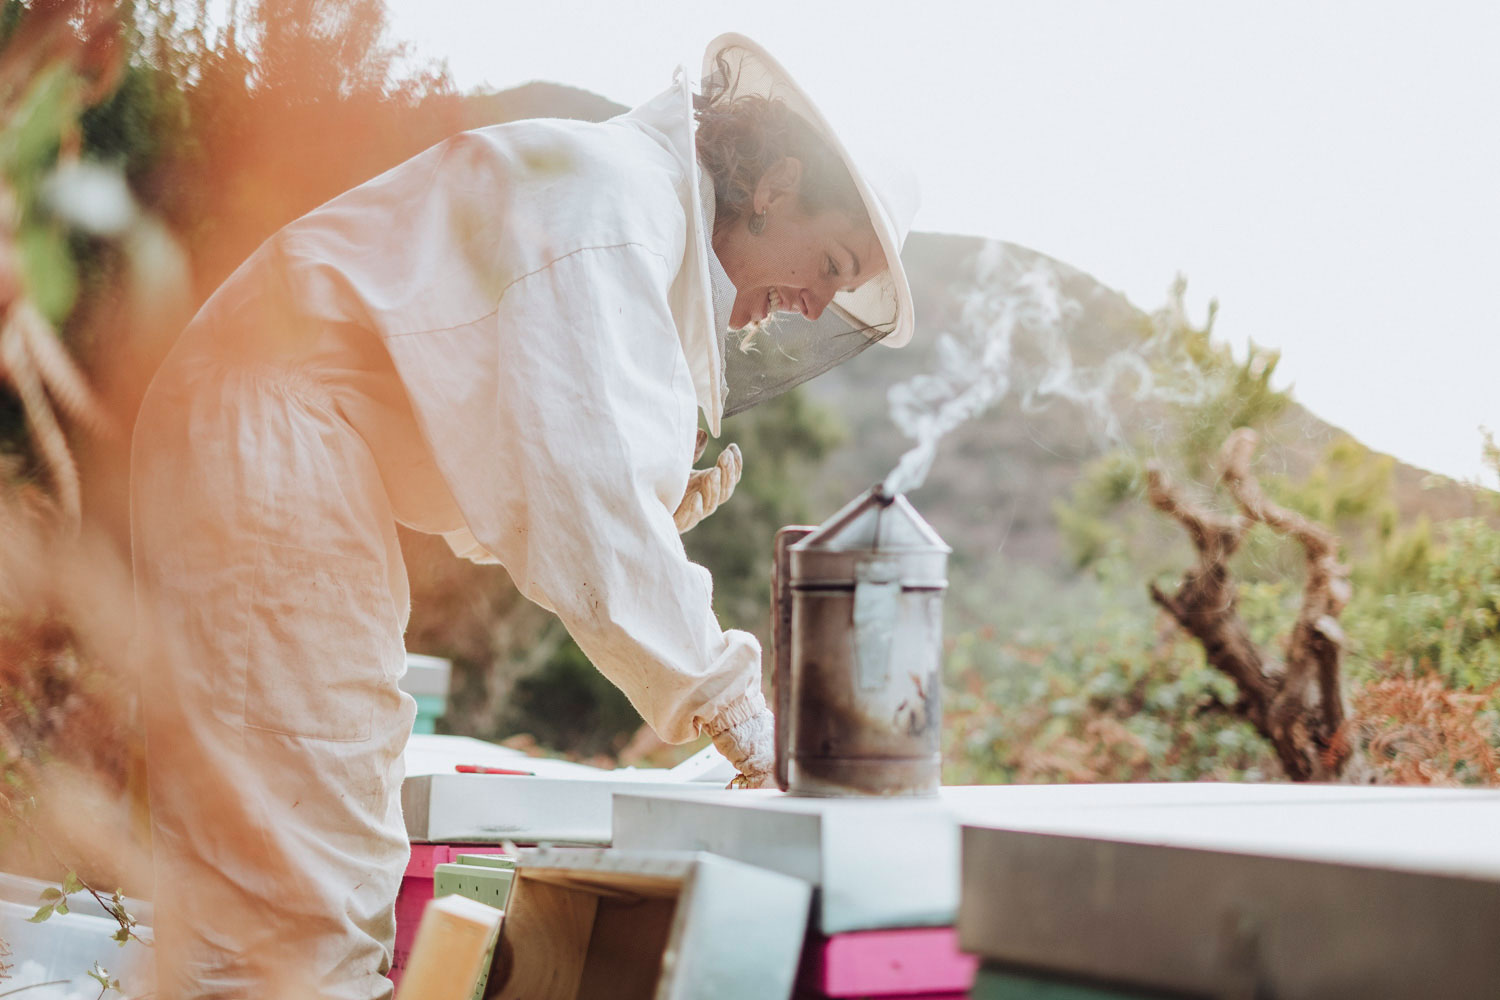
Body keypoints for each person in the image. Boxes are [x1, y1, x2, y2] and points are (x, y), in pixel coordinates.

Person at [130, 33, 916, 999]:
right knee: (296, 866)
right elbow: (577, 507)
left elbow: (524, 482)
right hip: (271, 442)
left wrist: (632, 508)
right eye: (830, 263)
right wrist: (733, 710)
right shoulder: (612, 207)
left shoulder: (624, 199)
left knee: (294, 828)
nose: (813, 305)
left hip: (284, 446)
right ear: (779, 183)